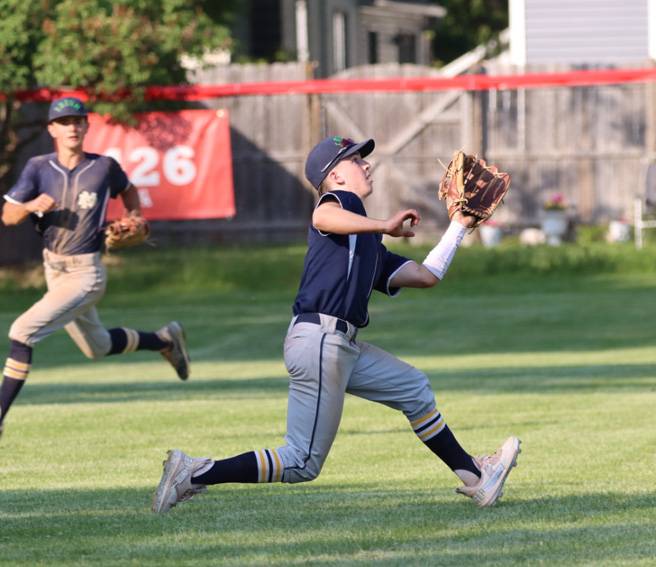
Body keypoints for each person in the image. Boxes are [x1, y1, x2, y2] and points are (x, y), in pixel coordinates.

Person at [152, 135, 520, 512]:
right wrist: (383, 224)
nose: (366, 165)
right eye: (355, 160)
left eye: (363, 159)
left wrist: (458, 226)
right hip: (320, 340)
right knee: (301, 462)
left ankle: (477, 478)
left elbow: (426, 276)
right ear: (334, 176)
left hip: (339, 345)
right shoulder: (340, 203)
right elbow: (321, 216)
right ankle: (194, 472)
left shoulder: (368, 246)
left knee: (414, 389)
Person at [0, 97, 190, 440]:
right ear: (52, 129)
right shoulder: (38, 168)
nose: (72, 126)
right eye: (64, 121)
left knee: (21, 332)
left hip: (86, 274)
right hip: (53, 271)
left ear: (86, 126)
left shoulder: (104, 167)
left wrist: (134, 217)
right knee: (97, 347)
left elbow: (130, 194)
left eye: (78, 120)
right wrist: (29, 205)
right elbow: (8, 216)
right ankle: (163, 340)